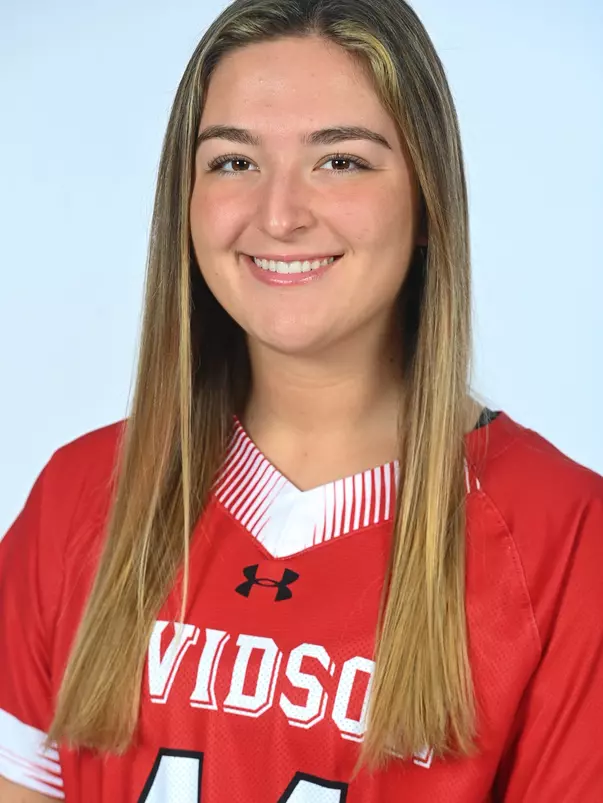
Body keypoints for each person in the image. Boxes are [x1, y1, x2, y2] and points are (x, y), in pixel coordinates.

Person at [1, 0, 602, 800]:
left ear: (426, 199)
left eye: (341, 161)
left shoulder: (565, 538)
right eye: (233, 162)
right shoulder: (82, 494)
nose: (279, 215)